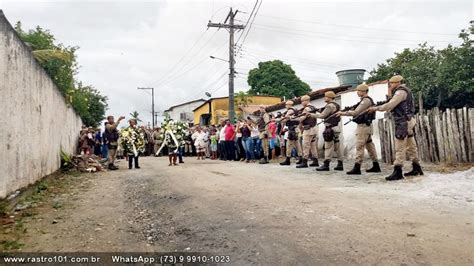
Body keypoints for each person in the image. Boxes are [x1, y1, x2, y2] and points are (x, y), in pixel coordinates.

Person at [367, 75, 423, 181]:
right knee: (411, 146)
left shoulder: (400, 92)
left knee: (400, 147)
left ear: (397, 83)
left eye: (391, 83)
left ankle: (398, 171)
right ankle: (417, 168)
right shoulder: (406, 91)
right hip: (408, 121)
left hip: (402, 123)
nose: (390, 85)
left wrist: (375, 108)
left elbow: (390, 105)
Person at [337, 83, 381, 175]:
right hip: (366, 126)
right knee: (370, 146)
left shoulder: (366, 101)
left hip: (363, 127)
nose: (357, 92)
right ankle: (376, 165)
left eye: (359, 91)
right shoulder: (364, 100)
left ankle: (357, 167)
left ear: (364, 91)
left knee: (359, 146)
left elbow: (356, 112)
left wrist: (343, 113)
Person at [309, 91, 344, 171]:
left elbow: (322, 116)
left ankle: (326, 164)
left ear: (330, 97)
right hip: (336, 127)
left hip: (330, 128)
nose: (324, 98)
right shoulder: (337, 105)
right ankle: (340, 163)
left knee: (328, 146)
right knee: (337, 146)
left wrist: (311, 115)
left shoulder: (329, 106)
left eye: (326, 96)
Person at [292, 95, 320, 168]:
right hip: (314, 128)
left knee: (306, 146)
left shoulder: (306, 108)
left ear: (306, 100)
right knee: (313, 146)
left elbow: (301, 119)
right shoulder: (313, 107)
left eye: (302, 101)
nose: (301, 102)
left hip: (308, 130)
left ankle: (304, 162)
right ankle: (315, 161)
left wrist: (292, 118)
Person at [279, 101, 301, 166]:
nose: (285, 106)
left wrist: (277, 120)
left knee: (288, 145)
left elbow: (285, 119)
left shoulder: (290, 111)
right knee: (297, 145)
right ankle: (301, 158)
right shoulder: (295, 110)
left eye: (286, 105)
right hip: (295, 129)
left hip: (292, 130)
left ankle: (288, 160)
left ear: (289, 105)